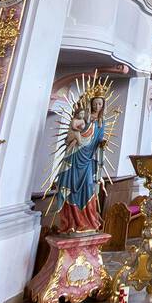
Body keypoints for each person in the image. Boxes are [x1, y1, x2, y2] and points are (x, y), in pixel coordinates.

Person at [55, 95, 109, 232]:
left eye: (100, 104)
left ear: (103, 106)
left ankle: (87, 220)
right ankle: (72, 222)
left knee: (88, 187)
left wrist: (102, 143)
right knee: (70, 186)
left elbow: (99, 139)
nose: (97, 106)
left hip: (88, 158)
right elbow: (73, 131)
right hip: (76, 153)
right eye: (95, 103)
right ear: (91, 104)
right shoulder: (85, 117)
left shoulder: (102, 122)